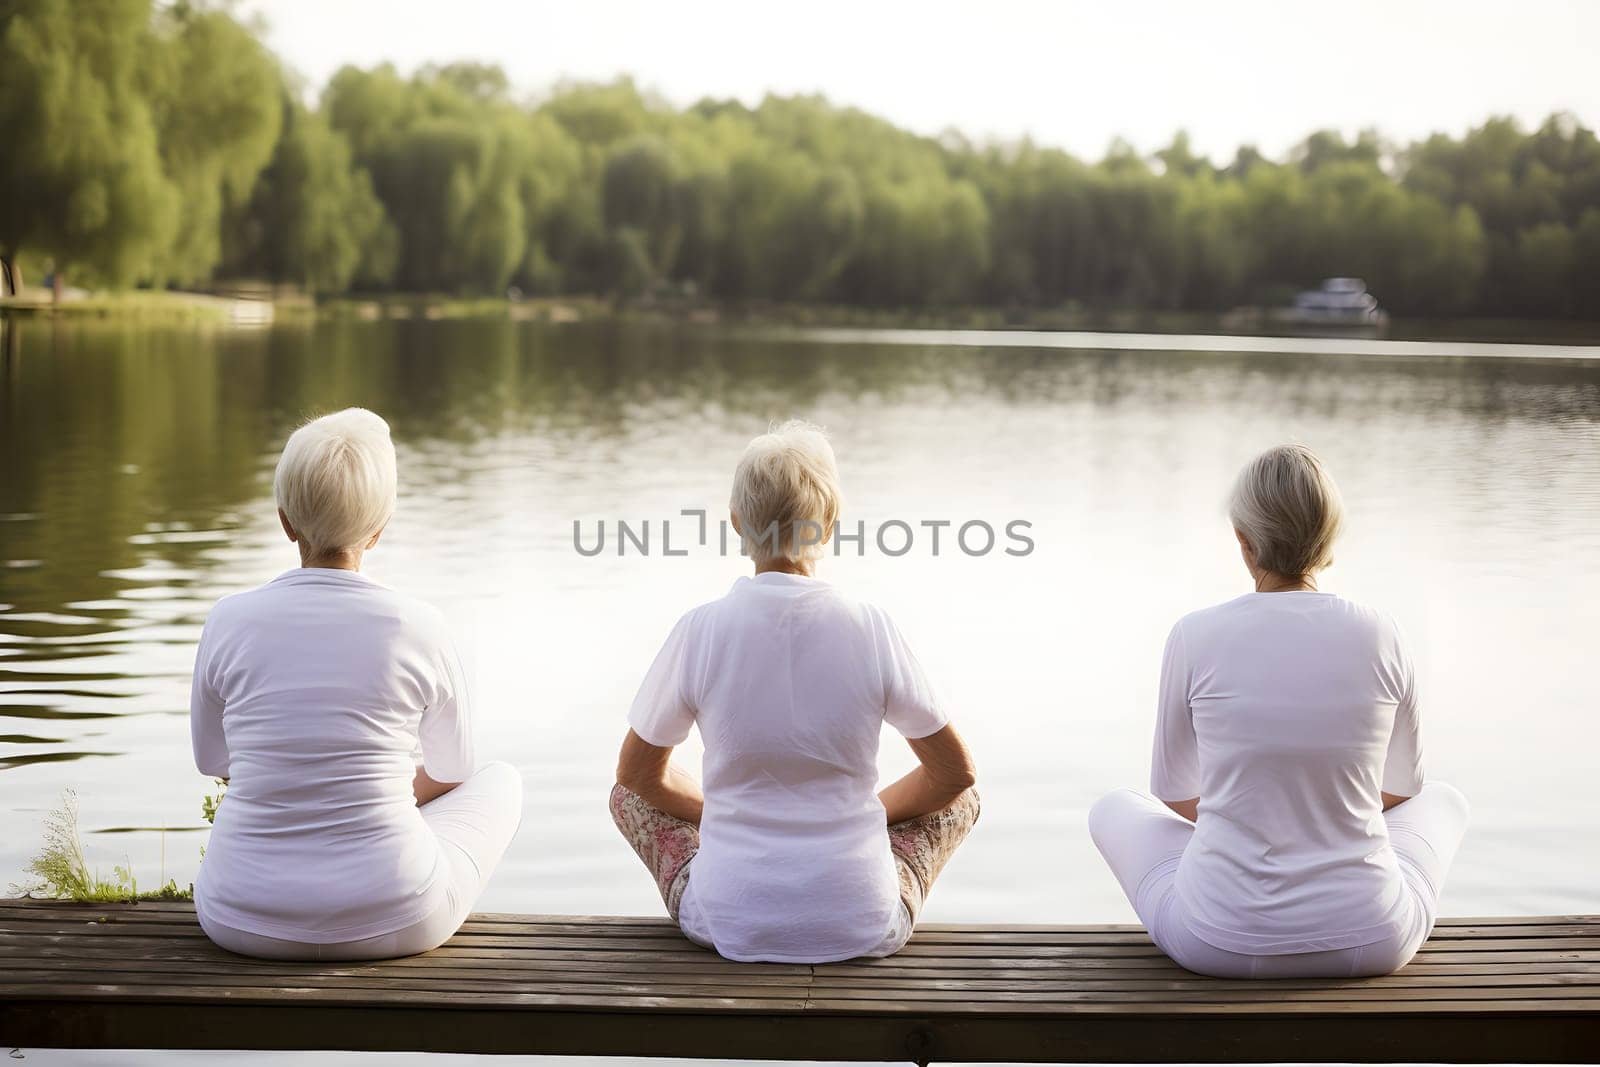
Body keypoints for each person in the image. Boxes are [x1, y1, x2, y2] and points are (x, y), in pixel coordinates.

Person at [1090, 444, 1469, 979]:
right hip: (1374, 939)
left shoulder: (1194, 634)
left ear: (1244, 541)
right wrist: (1319, 818)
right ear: (1330, 539)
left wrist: (1255, 824)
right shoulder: (1383, 632)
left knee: (1115, 806)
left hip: (1215, 940)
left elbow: (1175, 795)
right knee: (1445, 800)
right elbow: (1404, 789)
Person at [611, 419, 979, 963]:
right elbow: (956, 774)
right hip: (865, 923)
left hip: (727, 923)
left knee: (627, 797)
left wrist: (728, 812)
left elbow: (637, 777)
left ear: (737, 523)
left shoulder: (700, 629)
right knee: (960, 802)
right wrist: (857, 814)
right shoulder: (871, 626)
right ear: (828, 527)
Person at [190, 407, 522, 960]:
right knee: (500, 779)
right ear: (379, 528)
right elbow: (455, 771)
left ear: (284, 521)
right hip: (397, 918)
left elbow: (212, 761)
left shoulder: (227, 619)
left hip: (237, 917)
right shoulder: (420, 625)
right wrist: (374, 787)